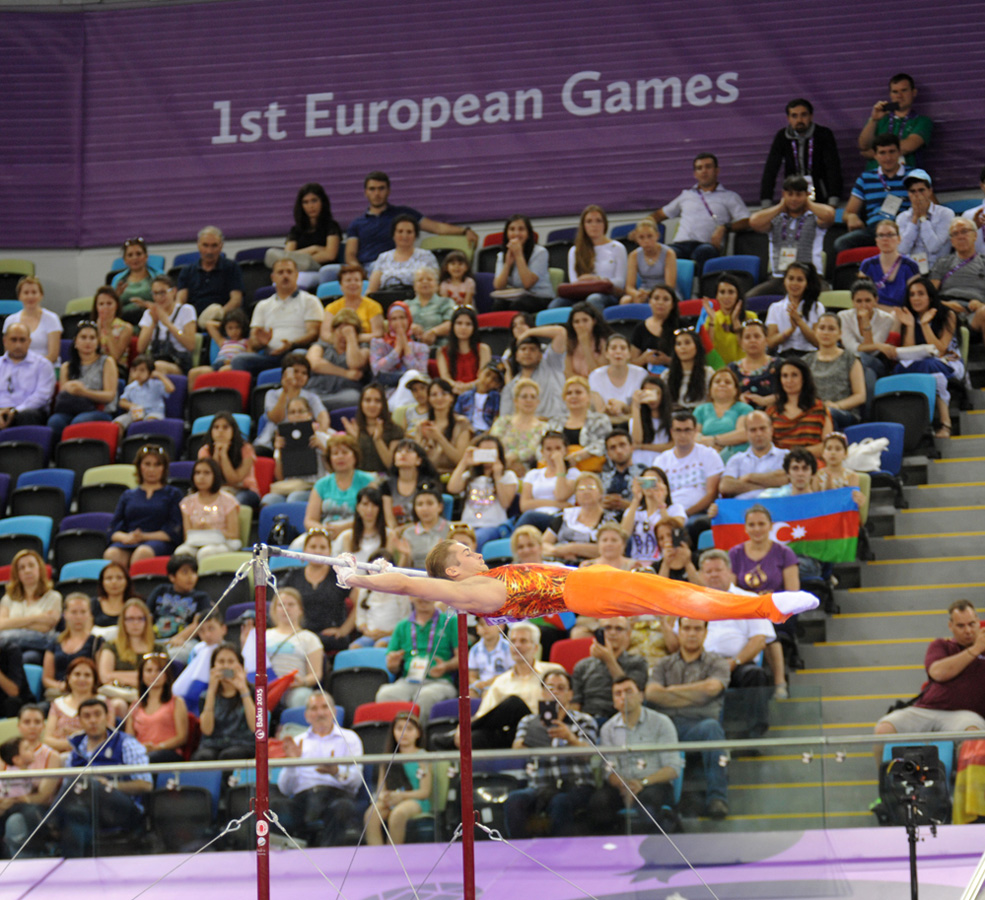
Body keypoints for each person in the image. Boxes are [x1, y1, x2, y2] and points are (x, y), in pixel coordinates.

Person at [337, 539, 818, 625]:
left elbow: (407, 580)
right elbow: (410, 587)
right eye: (466, 553)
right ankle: (768, 606)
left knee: (680, 602)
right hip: (585, 590)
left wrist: (379, 571)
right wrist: (360, 577)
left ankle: (767, 606)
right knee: (685, 599)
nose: (476, 552)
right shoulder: (472, 591)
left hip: (590, 588)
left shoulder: (475, 589)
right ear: (453, 572)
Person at [646, 616, 730, 818]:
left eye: (697, 629)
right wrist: (696, 695)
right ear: (679, 631)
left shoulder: (717, 662)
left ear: (705, 633)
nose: (692, 633)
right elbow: (652, 694)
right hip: (667, 727)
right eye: (687, 628)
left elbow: (712, 688)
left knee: (712, 728)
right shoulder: (664, 664)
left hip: (700, 726)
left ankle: (717, 799)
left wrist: (671, 691)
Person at [873, 600, 985, 745]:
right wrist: (975, 649)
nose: (968, 630)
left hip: (965, 715)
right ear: (950, 626)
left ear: (978, 622)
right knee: (884, 728)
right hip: (927, 709)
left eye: (971, 624)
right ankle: (885, 768)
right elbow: (938, 673)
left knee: (972, 733)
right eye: (961, 626)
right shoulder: (941, 646)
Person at [506, 670, 598, 838]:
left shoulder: (585, 720)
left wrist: (571, 738)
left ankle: (558, 856)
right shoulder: (529, 721)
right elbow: (517, 753)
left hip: (576, 785)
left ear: (570, 694)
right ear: (542, 693)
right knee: (515, 800)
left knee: (560, 802)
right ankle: (522, 852)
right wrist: (532, 737)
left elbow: (589, 754)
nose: (554, 692)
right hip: (540, 786)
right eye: (549, 688)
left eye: (561, 688)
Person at [693, 548, 782, 716]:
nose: (713, 575)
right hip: (703, 665)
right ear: (701, 575)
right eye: (708, 571)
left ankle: (756, 732)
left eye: (718, 570)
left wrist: (735, 662)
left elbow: (759, 640)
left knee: (755, 675)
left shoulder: (749, 600)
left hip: (738, 665)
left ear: (729, 571)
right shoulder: (692, 604)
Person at [58, 698, 151, 857]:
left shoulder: (126, 743)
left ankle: (47, 823)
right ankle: (76, 872)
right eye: (86, 716)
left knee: (82, 781)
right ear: (80, 721)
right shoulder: (75, 750)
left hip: (124, 809)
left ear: (107, 717)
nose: (93, 720)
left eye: (97, 714)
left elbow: (146, 785)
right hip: (88, 810)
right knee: (74, 815)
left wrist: (110, 785)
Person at [590, 676, 682, 831]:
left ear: (641, 696)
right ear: (613, 701)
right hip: (622, 785)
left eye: (628, 691)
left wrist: (642, 783)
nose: (623, 697)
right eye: (617, 693)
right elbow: (608, 770)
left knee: (648, 804)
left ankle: (651, 852)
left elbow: (672, 768)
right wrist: (624, 784)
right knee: (598, 802)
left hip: (654, 784)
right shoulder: (608, 728)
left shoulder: (661, 722)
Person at [275, 692, 364, 847]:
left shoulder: (350, 738)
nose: (320, 713)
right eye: (314, 709)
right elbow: (284, 788)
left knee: (342, 809)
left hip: (337, 795)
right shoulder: (298, 741)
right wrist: (292, 764)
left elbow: (357, 781)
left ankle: (325, 861)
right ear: (307, 715)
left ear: (334, 712)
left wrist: (336, 772)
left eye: (325, 707)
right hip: (304, 799)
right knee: (272, 809)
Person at [345, 171, 477, 269]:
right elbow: (350, 254)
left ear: (388, 191)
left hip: (399, 263)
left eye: (381, 188)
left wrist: (465, 230)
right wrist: (357, 269)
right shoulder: (357, 223)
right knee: (329, 271)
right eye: (372, 189)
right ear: (365, 192)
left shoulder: (403, 214)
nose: (377, 193)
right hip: (369, 267)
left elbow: (437, 227)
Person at [652, 153, 750, 275]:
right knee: (667, 253)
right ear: (695, 174)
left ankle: (700, 292)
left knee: (702, 253)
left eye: (708, 167)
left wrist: (725, 227)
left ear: (717, 171)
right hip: (681, 245)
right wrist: (642, 228)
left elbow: (746, 221)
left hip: (706, 245)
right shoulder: (686, 196)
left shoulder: (730, 197)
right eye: (699, 168)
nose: (704, 171)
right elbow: (657, 216)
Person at [894, 276, 964, 438]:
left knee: (928, 365)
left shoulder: (947, 315)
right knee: (900, 368)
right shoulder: (910, 316)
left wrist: (925, 325)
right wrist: (911, 325)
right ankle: (911, 421)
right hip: (923, 363)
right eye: (912, 295)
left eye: (920, 294)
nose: (915, 298)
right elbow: (908, 352)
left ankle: (943, 424)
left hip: (948, 363)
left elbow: (940, 350)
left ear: (930, 296)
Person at [233, 258, 323, 376]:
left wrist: (291, 344)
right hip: (270, 356)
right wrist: (261, 343)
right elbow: (253, 342)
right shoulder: (262, 305)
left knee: (298, 355)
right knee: (239, 360)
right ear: (273, 277)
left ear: (296, 275)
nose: (285, 276)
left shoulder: (310, 301)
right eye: (280, 272)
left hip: (296, 353)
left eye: (289, 272)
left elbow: (313, 333)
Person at [375, 594, 459, 722]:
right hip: (408, 681)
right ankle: (392, 739)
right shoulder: (402, 626)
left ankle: (419, 737)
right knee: (385, 694)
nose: (424, 598)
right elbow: (391, 667)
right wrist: (393, 664)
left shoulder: (450, 621)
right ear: (410, 598)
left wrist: (446, 666)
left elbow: (463, 658)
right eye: (419, 595)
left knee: (425, 697)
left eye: (427, 594)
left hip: (439, 681)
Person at [749, 175, 835, 297]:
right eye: (790, 194)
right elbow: (754, 221)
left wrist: (807, 203)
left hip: (810, 277)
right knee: (748, 300)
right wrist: (780, 207)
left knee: (827, 299)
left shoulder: (815, 217)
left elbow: (830, 215)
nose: (794, 199)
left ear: (807, 194)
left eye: (799, 195)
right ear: (783, 194)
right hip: (780, 278)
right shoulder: (775, 219)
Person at [277, 529, 354, 654]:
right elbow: (278, 604)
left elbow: (359, 605)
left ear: (329, 552)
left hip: (331, 638)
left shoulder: (340, 576)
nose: (317, 551)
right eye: (313, 547)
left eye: (322, 547)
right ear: (304, 551)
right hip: (299, 635)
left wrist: (343, 630)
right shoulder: (292, 576)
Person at [0, 705, 59, 859]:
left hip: (37, 809)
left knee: (15, 822)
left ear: (43, 726)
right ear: (19, 725)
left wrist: (16, 800)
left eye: (37, 722)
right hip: (6, 806)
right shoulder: (5, 752)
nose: (32, 726)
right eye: (27, 722)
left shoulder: (52, 756)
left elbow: (44, 796)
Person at [759, 98, 844, 207]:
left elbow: (833, 168)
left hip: (821, 194)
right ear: (788, 119)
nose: (799, 120)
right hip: (792, 194)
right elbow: (771, 169)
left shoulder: (823, 134)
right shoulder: (782, 137)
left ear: (811, 116)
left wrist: (833, 199)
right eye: (794, 116)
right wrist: (766, 202)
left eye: (804, 115)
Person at [365, 711, 432, 845]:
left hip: (416, 801)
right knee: (371, 813)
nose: (404, 733)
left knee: (398, 814)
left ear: (418, 733)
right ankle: (376, 855)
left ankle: (393, 858)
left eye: (409, 729)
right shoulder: (388, 758)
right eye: (399, 728)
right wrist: (386, 797)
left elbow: (424, 792)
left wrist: (401, 796)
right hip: (392, 799)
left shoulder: (422, 757)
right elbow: (380, 791)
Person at [654, 411, 724, 540]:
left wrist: (684, 514)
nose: (683, 435)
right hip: (667, 513)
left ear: (695, 431)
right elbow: (656, 494)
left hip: (699, 512)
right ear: (671, 432)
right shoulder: (661, 460)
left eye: (687, 430)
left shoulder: (709, 455)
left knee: (690, 526)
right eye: (678, 430)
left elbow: (711, 494)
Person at [836, 133, 910, 253]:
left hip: (903, 228)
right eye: (882, 153)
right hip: (874, 230)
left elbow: (932, 207)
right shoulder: (865, 178)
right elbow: (848, 213)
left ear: (899, 152)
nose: (888, 157)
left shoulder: (914, 176)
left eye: (892, 152)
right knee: (842, 243)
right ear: (875, 155)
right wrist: (852, 217)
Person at [571, 617, 648, 723]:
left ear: (628, 634)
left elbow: (632, 695)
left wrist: (609, 660)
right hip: (589, 721)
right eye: (607, 628)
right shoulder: (583, 666)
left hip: (624, 720)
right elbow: (574, 703)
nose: (612, 633)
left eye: (619, 629)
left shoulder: (637, 662)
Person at [448, 435, 519, 548]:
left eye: (491, 451)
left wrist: (497, 476)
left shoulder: (508, 476)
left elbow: (505, 502)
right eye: (483, 451)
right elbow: (452, 488)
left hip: (494, 526)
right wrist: (464, 462)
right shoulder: (469, 476)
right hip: (468, 526)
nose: (487, 454)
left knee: (475, 540)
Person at [552, 205, 627, 311]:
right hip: (581, 293)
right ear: (583, 225)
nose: (594, 225)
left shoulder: (617, 248)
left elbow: (620, 282)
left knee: (594, 299)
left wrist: (597, 280)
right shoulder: (575, 250)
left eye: (598, 221)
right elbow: (574, 281)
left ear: (605, 224)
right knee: (556, 304)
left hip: (609, 294)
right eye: (589, 221)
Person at [302, 434, 377, 538]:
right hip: (325, 532)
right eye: (335, 453)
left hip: (356, 531)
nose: (340, 457)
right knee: (297, 544)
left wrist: (342, 528)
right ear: (330, 459)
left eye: (345, 452)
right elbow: (310, 520)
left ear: (355, 456)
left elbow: (374, 516)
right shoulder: (321, 484)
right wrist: (323, 531)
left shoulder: (368, 481)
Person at [254, 352, 331, 452]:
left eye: (304, 373)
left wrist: (321, 432)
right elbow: (276, 418)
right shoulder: (272, 394)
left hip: (301, 441)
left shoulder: (311, 397)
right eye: (296, 371)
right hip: (273, 442)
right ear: (285, 373)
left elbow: (323, 417)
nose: (300, 375)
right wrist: (285, 391)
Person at [837, 278, 898, 402]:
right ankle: (867, 415)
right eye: (859, 301)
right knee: (868, 374)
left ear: (876, 300)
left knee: (862, 358)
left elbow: (871, 352)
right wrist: (879, 346)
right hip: (852, 362)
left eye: (868, 300)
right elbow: (851, 348)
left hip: (875, 362)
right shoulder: (843, 317)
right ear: (853, 302)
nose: (863, 305)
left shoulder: (886, 319)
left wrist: (865, 321)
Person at [857, 73, 932, 170]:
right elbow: (863, 146)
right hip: (875, 179)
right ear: (890, 95)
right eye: (895, 92)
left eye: (904, 90)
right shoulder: (879, 119)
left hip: (907, 179)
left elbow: (908, 146)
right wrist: (874, 120)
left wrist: (872, 152)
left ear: (914, 92)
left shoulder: (922, 121)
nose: (899, 96)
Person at [194, 643, 255, 760]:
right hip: (212, 745)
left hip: (243, 744)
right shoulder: (205, 695)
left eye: (231, 661)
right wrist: (211, 691)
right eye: (221, 662)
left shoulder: (253, 692)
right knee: (203, 756)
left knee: (229, 755)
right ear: (213, 666)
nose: (226, 666)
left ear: (240, 666)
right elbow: (207, 730)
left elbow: (255, 727)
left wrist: (243, 689)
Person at [804, 313, 867, 428]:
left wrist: (836, 406)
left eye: (831, 329)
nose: (826, 332)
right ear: (815, 331)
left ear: (840, 334)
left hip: (842, 412)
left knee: (827, 414)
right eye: (822, 328)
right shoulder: (806, 361)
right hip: (813, 411)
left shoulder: (850, 359)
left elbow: (860, 396)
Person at [126, 651, 189, 764]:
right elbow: (129, 739)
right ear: (142, 675)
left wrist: (158, 747)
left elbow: (182, 737)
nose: (154, 674)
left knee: (149, 759)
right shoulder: (135, 705)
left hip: (168, 753)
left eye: (159, 670)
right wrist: (141, 747)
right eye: (149, 670)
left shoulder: (177, 702)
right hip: (141, 753)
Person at [145, 553, 211, 661]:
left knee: (172, 657)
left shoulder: (201, 597)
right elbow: (146, 616)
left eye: (194, 572)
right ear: (172, 577)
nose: (191, 577)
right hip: (155, 639)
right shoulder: (161, 590)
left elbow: (198, 623)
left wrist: (179, 638)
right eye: (185, 572)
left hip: (185, 641)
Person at [266, 588, 323, 710]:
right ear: (274, 610)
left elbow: (316, 674)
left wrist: (302, 681)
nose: (286, 609)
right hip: (267, 687)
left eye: (291, 604)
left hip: (294, 689)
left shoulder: (309, 638)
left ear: (300, 610)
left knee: (302, 697)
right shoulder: (264, 636)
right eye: (281, 605)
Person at [175, 225, 245, 325]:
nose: (209, 251)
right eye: (205, 245)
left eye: (214, 246)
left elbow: (236, 300)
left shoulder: (232, 267)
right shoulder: (187, 271)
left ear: (221, 246)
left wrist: (219, 315)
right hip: (193, 323)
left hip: (222, 322)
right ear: (198, 245)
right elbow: (180, 300)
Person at [266, 182, 342, 272]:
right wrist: (314, 248)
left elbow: (330, 255)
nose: (310, 206)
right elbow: (287, 255)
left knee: (300, 277)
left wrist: (300, 259)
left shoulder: (331, 226)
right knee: (271, 253)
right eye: (306, 202)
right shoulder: (296, 230)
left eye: (314, 200)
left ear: (322, 202)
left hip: (322, 269)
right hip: (299, 269)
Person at [0, 550, 61, 661]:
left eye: (31, 566)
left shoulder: (54, 597)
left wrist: (13, 624)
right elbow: (2, 624)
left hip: (37, 647)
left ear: (40, 569)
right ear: (17, 574)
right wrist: (37, 618)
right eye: (22, 568)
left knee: (26, 658)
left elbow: (46, 627)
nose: (27, 570)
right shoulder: (8, 598)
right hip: (8, 646)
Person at [176, 458, 242, 561]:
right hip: (196, 542)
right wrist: (198, 528)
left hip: (223, 543)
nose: (201, 477)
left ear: (215, 476)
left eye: (206, 473)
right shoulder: (187, 503)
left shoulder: (228, 500)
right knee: (181, 553)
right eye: (197, 473)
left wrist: (212, 530)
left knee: (206, 553)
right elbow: (187, 536)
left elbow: (234, 535)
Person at [542, 472, 615, 564]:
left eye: (591, 488)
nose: (586, 492)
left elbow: (609, 549)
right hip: (559, 564)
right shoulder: (565, 516)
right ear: (575, 495)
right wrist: (558, 552)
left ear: (600, 493)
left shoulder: (610, 520)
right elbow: (542, 544)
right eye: (581, 489)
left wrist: (572, 548)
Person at [525, 301, 610, 379]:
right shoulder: (569, 343)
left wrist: (585, 345)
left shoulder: (603, 343)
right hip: (576, 387)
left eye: (585, 320)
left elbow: (597, 376)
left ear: (593, 321)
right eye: (576, 322)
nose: (581, 325)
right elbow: (567, 372)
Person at [97, 599, 165, 695]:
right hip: (120, 695)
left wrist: (118, 676)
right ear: (123, 621)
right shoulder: (111, 646)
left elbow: (164, 677)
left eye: (140, 618)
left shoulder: (158, 648)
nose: (135, 623)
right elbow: (105, 676)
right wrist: (144, 677)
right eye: (130, 619)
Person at [307, 310, 369, 413]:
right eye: (341, 330)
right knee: (304, 397)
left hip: (345, 393)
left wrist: (351, 339)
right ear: (333, 331)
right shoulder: (320, 346)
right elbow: (314, 364)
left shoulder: (363, 349)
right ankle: (314, 404)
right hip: (317, 390)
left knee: (354, 399)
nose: (344, 335)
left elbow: (355, 363)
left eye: (351, 331)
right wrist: (346, 373)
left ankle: (315, 405)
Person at [767, 357, 832, 455]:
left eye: (794, 375)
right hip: (779, 464)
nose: (789, 380)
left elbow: (828, 445)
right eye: (785, 376)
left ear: (804, 378)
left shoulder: (819, 408)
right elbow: (766, 446)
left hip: (812, 463)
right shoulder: (771, 411)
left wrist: (796, 455)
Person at [621, 467, 686, 565]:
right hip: (636, 563)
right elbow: (623, 535)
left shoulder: (675, 509)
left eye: (654, 481)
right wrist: (636, 499)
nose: (650, 486)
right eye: (645, 482)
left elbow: (674, 534)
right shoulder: (633, 511)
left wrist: (661, 503)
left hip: (664, 562)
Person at [41, 593, 100, 699]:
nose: (78, 617)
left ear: (89, 614)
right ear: (65, 614)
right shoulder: (55, 642)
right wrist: (62, 686)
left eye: (83, 612)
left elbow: (99, 676)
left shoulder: (97, 642)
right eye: (74, 612)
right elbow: (46, 678)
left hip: (86, 694)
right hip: (59, 693)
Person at [408, 378, 471, 475]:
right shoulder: (422, 425)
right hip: (427, 476)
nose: (439, 398)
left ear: (451, 397)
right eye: (434, 395)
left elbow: (460, 460)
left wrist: (439, 438)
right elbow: (416, 458)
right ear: (429, 399)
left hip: (452, 476)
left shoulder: (462, 423)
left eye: (444, 394)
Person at [547, 375, 612, 470]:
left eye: (578, 392)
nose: (573, 396)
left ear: (588, 397)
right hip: (558, 471)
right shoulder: (554, 422)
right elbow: (544, 446)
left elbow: (605, 444)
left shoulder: (600, 420)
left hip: (591, 471)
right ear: (564, 398)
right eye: (569, 393)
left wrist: (579, 456)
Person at [135, 274, 197, 375]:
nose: (159, 297)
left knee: (157, 367)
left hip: (178, 363)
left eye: (163, 293)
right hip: (154, 360)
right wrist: (153, 323)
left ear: (173, 291)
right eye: (155, 293)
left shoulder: (186, 310)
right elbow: (140, 348)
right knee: (137, 368)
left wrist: (168, 324)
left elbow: (190, 345)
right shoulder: (149, 313)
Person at [719, 411, 788, 499]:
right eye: (753, 430)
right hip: (743, 508)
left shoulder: (785, 455)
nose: (758, 434)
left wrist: (749, 477)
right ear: (746, 433)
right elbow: (726, 486)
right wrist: (768, 486)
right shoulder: (736, 459)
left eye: (762, 428)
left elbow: (787, 478)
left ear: (771, 430)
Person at [198, 412, 261, 509]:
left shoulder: (246, 449)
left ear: (233, 430)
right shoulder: (204, 451)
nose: (220, 431)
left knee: (234, 503)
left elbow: (234, 480)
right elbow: (211, 480)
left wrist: (223, 455)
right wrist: (216, 455)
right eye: (216, 427)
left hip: (245, 491)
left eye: (225, 427)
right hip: (218, 491)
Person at [896, 169, 955, 274]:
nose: (917, 195)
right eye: (912, 191)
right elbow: (902, 249)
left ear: (930, 191)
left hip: (939, 270)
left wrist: (923, 218)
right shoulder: (902, 218)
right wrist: (914, 219)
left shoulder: (946, 214)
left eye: (921, 190)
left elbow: (933, 247)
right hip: (913, 271)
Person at [492, 214, 554, 312]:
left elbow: (527, 283)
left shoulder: (540, 252)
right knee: (498, 305)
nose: (516, 233)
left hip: (539, 297)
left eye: (521, 229)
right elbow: (498, 286)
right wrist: (507, 263)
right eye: (512, 229)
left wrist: (519, 255)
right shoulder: (501, 255)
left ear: (528, 233)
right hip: (516, 296)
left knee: (519, 305)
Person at [930, 218, 985, 327]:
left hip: (976, 312)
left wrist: (981, 305)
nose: (960, 237)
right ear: (952, 241)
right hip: (946, 308)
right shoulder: (943, 263)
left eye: (964, 231)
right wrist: (945, 305)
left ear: (975, 235)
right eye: (955, 234)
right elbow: (929, 295)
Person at [0, 323, 56, 429]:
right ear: (5, 341)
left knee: (27, 416)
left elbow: (42, 396)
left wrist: (14, 411)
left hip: (27, 412)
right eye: (13, 340)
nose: (18, 345)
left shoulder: (43, 365)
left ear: (29, 341)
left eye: (22, 340)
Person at [340, 382, 404, 473]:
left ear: (384, 404)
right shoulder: (354, 428)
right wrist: (356, 439)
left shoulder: (395, 430)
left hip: (385, 480)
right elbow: (351, 463)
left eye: (377, 401)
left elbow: (390, 464)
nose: (372, 405)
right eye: (367, 400)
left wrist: (378, 440)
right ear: (361, 403)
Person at [489, 378, 549, 474]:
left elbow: (534, 451)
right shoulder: (503, 422)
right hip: (498, 467)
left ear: (538, 402)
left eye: (533, 397)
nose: (529, 400)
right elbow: (492, 445)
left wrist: (515, 457)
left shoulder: (544, 428)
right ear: (516, 401)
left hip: (529, 472)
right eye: (524, 396)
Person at [43, 657, 103, 753]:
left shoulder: (103, 703)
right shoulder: (58, 704)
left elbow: (106, 737)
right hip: (60, 757)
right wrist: (79, 740)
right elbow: (48, 739)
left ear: (94, 679)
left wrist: (73, 734)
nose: (82, 679)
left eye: (87, 675)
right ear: (68, 678)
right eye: (77, 674)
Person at [499, 335, 566, 420]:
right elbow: (505, 419)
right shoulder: (510, 387)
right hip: (527, 430)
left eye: (532, 349)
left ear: (540, 355)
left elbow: (560, 333)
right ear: (516, 356)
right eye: (523, 349)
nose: (527, 352)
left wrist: (526, 333)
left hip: (557, 426)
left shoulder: (551, 366)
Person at [367, 216, 440, 293]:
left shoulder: (427, 256)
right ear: (393, 234)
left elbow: (435, 286)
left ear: (416, 235)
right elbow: (372, 290)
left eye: (409, 232)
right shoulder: (383, 257)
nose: (404, 236)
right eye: (400, 231)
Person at [694, 367, 753, 461]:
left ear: (736, 390)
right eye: (717, 382)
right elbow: (694, 436)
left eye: (727, 382)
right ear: (710, 389)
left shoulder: (744, 409)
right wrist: (712, 449)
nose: (722, 384)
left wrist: (714, 440)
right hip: (707, 457)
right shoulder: (700, 410)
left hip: (737, 457)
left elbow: (743, 434)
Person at [858, 220, 920, 309]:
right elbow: (862, 297)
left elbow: (914, 299)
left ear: (899, 239)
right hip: (874, 313)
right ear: (876, 240)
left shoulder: (910, 266)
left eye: (890, 235)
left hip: (902, 314)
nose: (885, 239)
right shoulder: (867, 265)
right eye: (881, 235)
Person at [765, 261, 822, 355]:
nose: (794, 283)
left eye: (800, 280)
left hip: (810, 354)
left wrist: (799, 321)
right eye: (791, 279)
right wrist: (791, 330)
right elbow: (770, 343)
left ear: (807, 283)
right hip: (784, 355)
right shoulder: (775, 308)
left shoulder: (817, 307)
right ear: (784, 281)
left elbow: (817, 342)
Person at [590, 334, 648, 424]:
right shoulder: (595, 376)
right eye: (613, 348)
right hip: (605, 425)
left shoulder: (641, 374)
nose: (618, 352)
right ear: (606, 353)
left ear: (629, 354)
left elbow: (641, 413)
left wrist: (624, 407)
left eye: (623, 348)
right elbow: (600, 414)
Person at [369, 302, 429, 389]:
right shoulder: (378, 343)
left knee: (412, 375)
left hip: (412, 390)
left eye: (402, 317)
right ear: (389, 321)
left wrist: (406, 347)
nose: (399, 322)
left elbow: (420, 374)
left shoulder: (421, 347)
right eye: (394, 319)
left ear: (409, 319)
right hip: (386, 389)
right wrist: (397, 349)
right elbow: (377, 370)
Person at [320, 263, 383, 344]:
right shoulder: (332, 307)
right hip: (336, 345)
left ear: (362, 284)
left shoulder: (374, 306)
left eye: (356, 280)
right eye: (348, 280)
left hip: (364, 345)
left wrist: (352, 338)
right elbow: (325, 334)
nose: (353, 283)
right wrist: (341, 340)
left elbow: (378, 334)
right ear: (341, 285)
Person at [2, 277, 61, 364]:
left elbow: (53, 355)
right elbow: (8, 353)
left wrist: (32, 369)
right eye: (26, 293)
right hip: (17, 367)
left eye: (34, 292)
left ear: (41, 295)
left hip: (44, 368)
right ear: (19, 296)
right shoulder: (10, 320)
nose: (30, 296)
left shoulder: (52, 319)